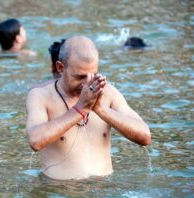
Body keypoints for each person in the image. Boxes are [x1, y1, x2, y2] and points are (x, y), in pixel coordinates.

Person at [26, 35, 151, 180]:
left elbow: (145, 137)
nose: (87, 83)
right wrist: (80, 109)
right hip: (59, 190)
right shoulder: (40, 96)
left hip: (104, 189)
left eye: (92, 75)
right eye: (79, 77)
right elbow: (35, 141)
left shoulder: (108, 93)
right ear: (60, 68)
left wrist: (101, 110)